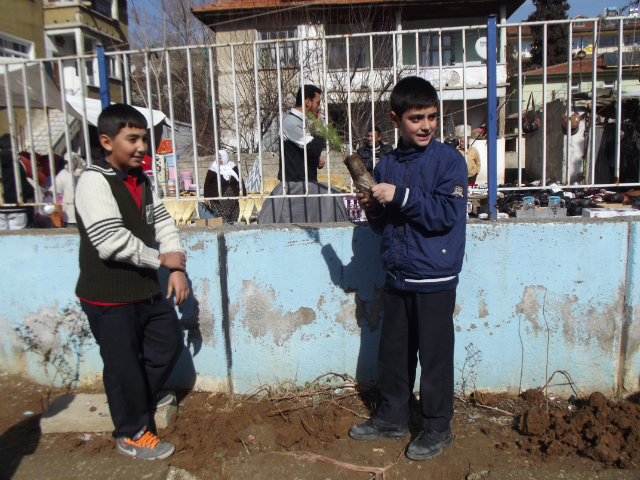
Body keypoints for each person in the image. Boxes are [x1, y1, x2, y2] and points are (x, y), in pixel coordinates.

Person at [351, 77, 467, 462]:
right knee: (394, 355)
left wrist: (398, 195)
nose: (426, 126)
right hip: (398, 275)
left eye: (432, 117)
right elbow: (385, 225)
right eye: (416, 118)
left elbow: (445, 216)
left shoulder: (450, 161)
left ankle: (437, 428)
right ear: (395, 119)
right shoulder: (386, 164)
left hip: (434, 277)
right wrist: (372, 206)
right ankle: (392, 418)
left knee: (434, 358)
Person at [74, 104, 189, 460]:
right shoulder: (93, 181)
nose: (142, 147)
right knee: (122, 364)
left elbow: (163, 222)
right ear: (106, 141)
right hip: (108, 296)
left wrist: (176, 266)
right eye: (133, 139)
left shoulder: (141, 180)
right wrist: (159, 259)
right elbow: (109, 241)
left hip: (145, 289)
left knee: (167, 344)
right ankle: (131, 433)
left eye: (144, 138)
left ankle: (140, 399)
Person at [277, 84, 326, 183]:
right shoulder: (292, 123)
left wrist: (313, 160)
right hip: (297, 187)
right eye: (318, 103)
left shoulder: (298, 121)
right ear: (308, 102)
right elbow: (315, 150)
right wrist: (319, 127)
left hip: (302, 185)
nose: (319, 107)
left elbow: (301, 152)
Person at [0, 134, 35, 230]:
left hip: (1, 207)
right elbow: (34, 181)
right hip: (18, 207)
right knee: (18, 239)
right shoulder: (20, 162)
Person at [203, 150, 243, 224]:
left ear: (225, 158)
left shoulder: (233, 167)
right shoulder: (213, 168)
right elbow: (207, 183)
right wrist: (206, 196)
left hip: (232, 199)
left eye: (220, 158)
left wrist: (243, 193)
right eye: (217, 158)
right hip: (218, 199)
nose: (219, 160)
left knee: (233, 216)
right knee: (221, 218)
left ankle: (231, 230)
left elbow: (240, 180)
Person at [55, 152, 85, 227]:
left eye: (70, 162)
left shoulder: (85, 173)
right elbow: (56, 189)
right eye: (66, 162)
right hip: (70, 216)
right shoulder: (64, 174)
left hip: (85, 215)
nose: (68, 164)